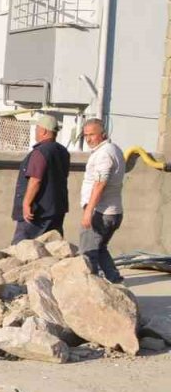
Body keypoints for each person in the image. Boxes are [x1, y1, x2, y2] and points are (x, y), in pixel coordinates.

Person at [78, 118, 125, 283]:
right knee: (100, 248)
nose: (88, 139)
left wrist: (88, 212)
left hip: (101, 213)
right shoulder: (113, 149)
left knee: (88, 253)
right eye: (85, 135)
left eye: (92, 135)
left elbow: (100, 184)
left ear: (103, 134)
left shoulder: (104, 153)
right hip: (113, 212)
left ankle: (91, 290)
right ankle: (115, 279)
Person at [12, 114, 71, 243]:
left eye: (37, 128)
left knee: (20, 248)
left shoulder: (40, 152)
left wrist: (26, 204)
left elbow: (35, 180)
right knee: (51, 249)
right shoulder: (63, 152)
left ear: (43, 131)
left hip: (38, 213)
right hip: (57, 209)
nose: (35, 131)